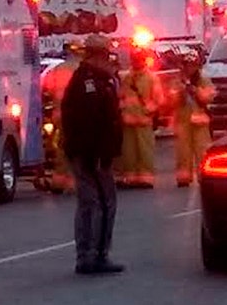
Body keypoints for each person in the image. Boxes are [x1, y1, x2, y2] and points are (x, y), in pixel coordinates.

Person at [61, 35, 125, 275]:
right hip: (92, 155)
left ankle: (88, 254)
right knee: (102, 204)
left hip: (89, 153)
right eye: (106, 55)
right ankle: (95, 255)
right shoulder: (91, 83)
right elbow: (89, 122)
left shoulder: (93, 80)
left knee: (90, 203)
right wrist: (96, 154)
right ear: (98, 55)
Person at [116, 46, 164, 188]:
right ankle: (130, 178)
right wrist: (122, 109)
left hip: (144, 121)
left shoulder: (151, 78)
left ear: (144, 60)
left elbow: (159, 99)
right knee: (128, 152)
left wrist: (149, 110)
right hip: (128, 121)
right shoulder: (126, 78)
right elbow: (121, 96)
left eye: (139, 59)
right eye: (134, 59)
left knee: (145, 151)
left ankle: (146, 179)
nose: (136, 62)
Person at [171, 54, 215, 188]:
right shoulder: (178, 81)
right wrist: (182, 92)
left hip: (200, 123)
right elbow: (171, 99)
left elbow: (209, 97)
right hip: (183, 121)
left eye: (192, 66)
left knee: (202, 151)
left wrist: (196, 91)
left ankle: (204, 176)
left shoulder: (204, 80)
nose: (189, 69)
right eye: (187, 66)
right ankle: (183, 178)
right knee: (183, 151)